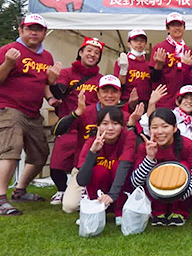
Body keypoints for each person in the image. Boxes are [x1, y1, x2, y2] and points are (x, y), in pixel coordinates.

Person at [0, 13, 61, 216]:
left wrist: (51, 97)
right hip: (7, 107)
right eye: (30, 28)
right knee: (11, 149)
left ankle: (20, 191)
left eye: (38, 29)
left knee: (40, 154)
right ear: (21, 31)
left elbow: (43, 83)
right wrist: (9, 64)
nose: (34, 32)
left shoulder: (47, 57)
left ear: (44, 33)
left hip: (32, 111)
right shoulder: (8, 51)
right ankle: (0, 200)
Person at [52, 75, 143, 213]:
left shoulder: (125, 116)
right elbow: (56, 131)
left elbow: (137, 146)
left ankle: (114, 202)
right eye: (105, 91)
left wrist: (130, 125)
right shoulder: (86, 111)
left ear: (120, 94)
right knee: (70, 206)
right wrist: (77, 113)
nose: (109, 96)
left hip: (117, 168)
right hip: (87, 167)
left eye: (114, 92)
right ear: (98, 93)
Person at [48, 36, 104, 205]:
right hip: (69, 124)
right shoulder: (67, 73)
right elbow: (59, 92)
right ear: (80, 52)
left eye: (97, 53)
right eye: (89, 50)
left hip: (90, 127)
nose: (92, 55)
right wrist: (52, 81)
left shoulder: (101, 78)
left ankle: (85, 190)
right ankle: (61, 189)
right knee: (57, 162)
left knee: (85, 161)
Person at [131, 108, 192, 226]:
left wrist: (180, 194)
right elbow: (135, 182)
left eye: (165, 126)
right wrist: (150, 158)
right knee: (154, 167)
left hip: (182, 194)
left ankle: (179, 211)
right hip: (154, 192)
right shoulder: (144, 148)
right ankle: (158, 211)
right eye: (154, 127)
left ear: (175, 128)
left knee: (183, 166)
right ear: (149, 130)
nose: (160, 131)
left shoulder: (187, 145)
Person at [76, 106, 136, 226]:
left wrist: (112, 196)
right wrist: (93, 152)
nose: (110, 128)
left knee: (117, 166)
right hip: (99, 190)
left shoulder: (128, 137)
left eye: (115, 123)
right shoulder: (91, 142)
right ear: (98, 126)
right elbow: (81, 180)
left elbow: (125, 166)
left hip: (119, 190)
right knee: (99, 170)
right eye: (105, 123)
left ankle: (120, 210)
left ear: (122, 126)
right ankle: (95, 208)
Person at [149, 12, 191, 108]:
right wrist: (158, 65)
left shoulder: (187, 50)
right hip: (163, 99)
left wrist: (188, 67)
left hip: (182, 100)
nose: (177, 28)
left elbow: (190, 79)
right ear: (167, 28)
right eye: (173, 25)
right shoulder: (160, 48)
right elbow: (153, 78)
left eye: (180, 25)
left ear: (184, 28)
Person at [115, 29, 152, 106]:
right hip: (126, 102)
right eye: (135, 40)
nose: (139, 43)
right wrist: (123, 70)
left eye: (142, 41)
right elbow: (118, 85)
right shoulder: (122, 62)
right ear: (129, 44)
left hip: (145, 104)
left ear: (145, 44)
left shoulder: (149, 65)